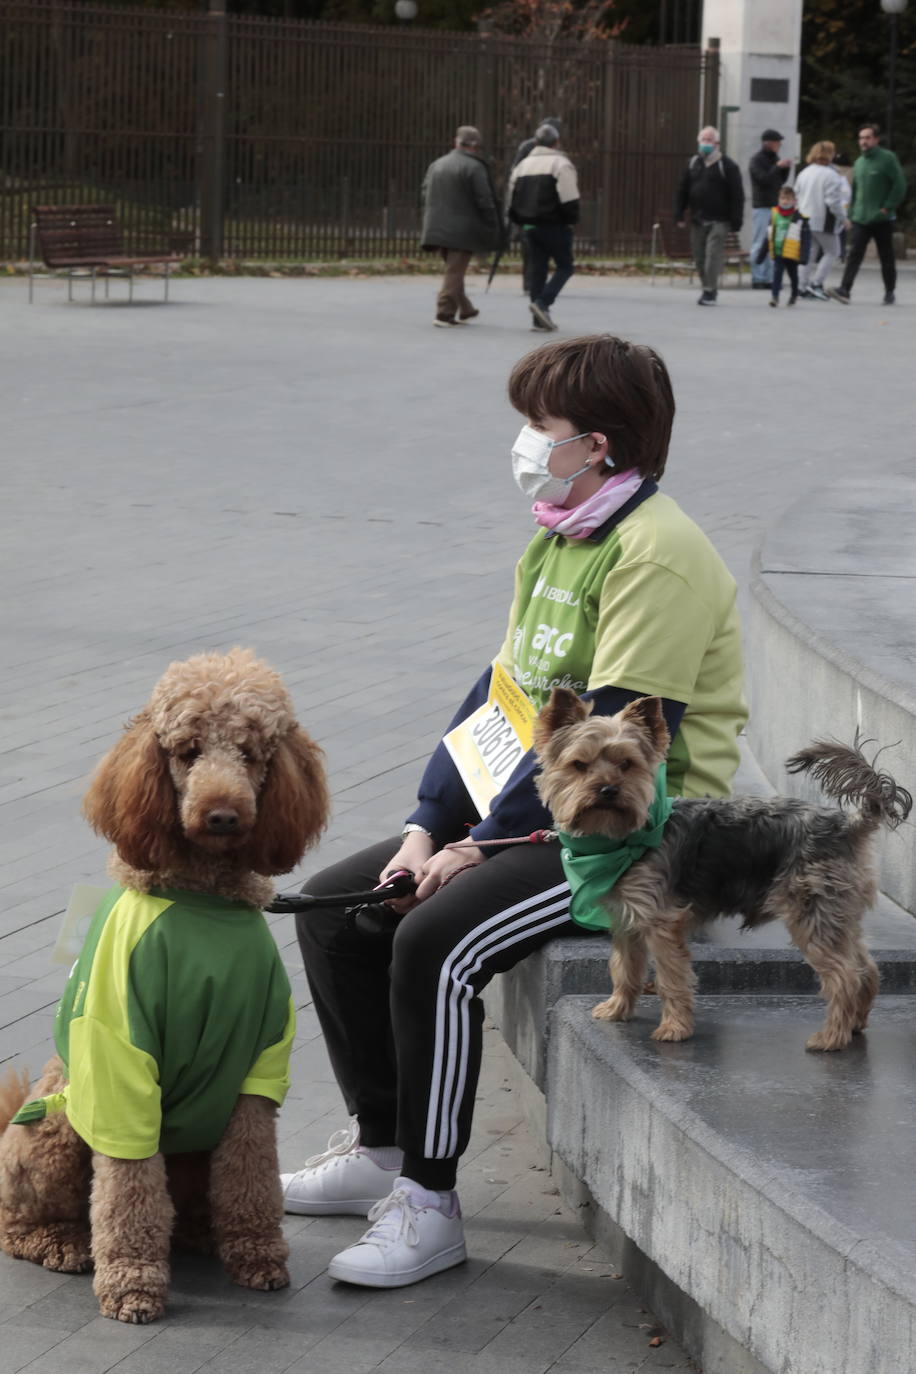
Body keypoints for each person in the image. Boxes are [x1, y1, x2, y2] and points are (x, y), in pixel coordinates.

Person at [279, 333, 748, 1290]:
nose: (527, 443)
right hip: (545, 808)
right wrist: (426, 827)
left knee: (435, 943)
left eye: (543, 426)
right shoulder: (560, 537)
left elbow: (610, 762)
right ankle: (380, 1143)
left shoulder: (655, 556)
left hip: (634, 838)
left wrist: (479, 851)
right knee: (343, 907)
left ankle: (430, 1202)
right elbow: (501, 704)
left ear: (600, 447)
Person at [420, 125, 502, 328]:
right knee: (454, 271)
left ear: (456, 142)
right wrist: (493, 223)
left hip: (436, 227)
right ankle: (444, 313)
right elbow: (485, 200)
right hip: (463, 229)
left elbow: (424, 193)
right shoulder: (474, 167)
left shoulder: (437, 164)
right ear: (475, 146)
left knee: (454, 268)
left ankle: (466, 308)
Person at [507, 123, 580, 331]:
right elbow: (570, 198)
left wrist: (519, 221)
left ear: (536, 142)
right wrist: (570, 220)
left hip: (529, 227)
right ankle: (543, 303)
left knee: (537, 269)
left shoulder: (522, 166)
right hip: (555, 225)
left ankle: (538, 321)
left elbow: (512, 198)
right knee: (565, 267)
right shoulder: (560, 163)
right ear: (556, 142)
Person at [829, 123, 906, 306]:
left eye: (867, 137)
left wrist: (887, 207)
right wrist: (852, 212)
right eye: (861, 138)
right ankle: (845, 289)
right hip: (861, 218)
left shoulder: (887, 159)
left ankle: (889, 291)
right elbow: (855, 190)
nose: (863, 141)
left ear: (876, 140)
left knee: (886, 256)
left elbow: (899, 185)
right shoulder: (859, 162)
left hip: (882, 218)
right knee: (854, 254)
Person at [675, 126, 744, 306]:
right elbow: (683, 190)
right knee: (699, 257)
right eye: (703, 140)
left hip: (719, 220)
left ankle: (708, 292)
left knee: (713, 255)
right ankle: (709, 287)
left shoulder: (727, 165)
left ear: (717, 143)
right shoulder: (693, 163)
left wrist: (736, 220)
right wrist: (679, 213)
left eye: (709, 140)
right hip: (698, 219)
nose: (705, 143)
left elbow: (737, 194)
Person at [509, 116, 562, 296]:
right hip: (530, 203)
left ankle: (535, 281)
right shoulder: (527, 147)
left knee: (539, 244)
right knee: (529, 244)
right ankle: (529, 282)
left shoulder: (554, 150)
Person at [794, 141, 850, 300]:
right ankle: (816, 283)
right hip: (824, 220)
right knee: (833, 251)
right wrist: (843, 218)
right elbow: (833, 202)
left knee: (809, 253)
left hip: (805, 218)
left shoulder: (805, 172)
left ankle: (801, 286)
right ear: (830, 154)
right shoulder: (831, 175)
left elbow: (797, 195)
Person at [748, 129, 792, 289]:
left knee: (774, 243)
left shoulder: (775, 159)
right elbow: (763, 180)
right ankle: (758, 277)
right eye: (777, 142)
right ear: (768, 142)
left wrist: (785, 168)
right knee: (760, 243)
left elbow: (780, 180)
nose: (779, 145)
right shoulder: (756, 160)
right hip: (762, 207)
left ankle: (769, 278)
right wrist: (777, 167)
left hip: (775, 207)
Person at [757, 184, 810, 307]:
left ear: (794, 201)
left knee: (793, 276)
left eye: (788, 199)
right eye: (782, 198)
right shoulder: (774, 215)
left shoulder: (799, 218)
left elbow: (806, 239)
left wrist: (804, 256)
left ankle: (794, 294)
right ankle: (775, 297)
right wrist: (761, 254)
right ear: (778, 199)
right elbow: (768, 235)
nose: (785, 201)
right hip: (778, 252)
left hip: (792, 254)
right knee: (777, 275)